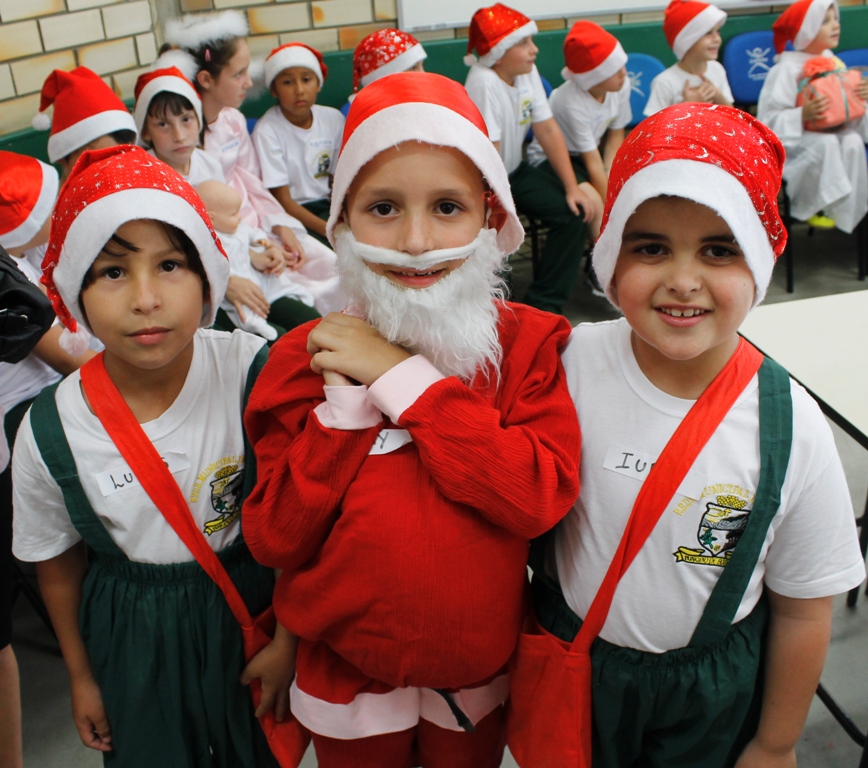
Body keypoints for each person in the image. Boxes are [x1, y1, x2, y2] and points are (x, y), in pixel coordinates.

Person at [242, 72, 581, 766]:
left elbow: (537, 500)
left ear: (491, 219)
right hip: (343, 670)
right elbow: (276, 537)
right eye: (385, 208)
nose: (420, 241)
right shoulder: (299, 362)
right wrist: (339, 419)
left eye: (449, 207)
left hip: (474, 673)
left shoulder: (527, 348)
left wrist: (402, 381)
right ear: (340, 224)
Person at [512, 103, 866, 768]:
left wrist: (775, 742)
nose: (682, 279)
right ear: (611, 257)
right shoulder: (566, 363)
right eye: (650, 247)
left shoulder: (788, 426)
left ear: (759, 261)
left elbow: (803, 608)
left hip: (711, 695)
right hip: (575, 669)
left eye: (719, 249)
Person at [11, 145, 295, 768]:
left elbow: (303, 519)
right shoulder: (53, 427)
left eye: (170, 264)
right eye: (112, 272)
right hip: (128, 629)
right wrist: (82, 677)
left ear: (207, 277)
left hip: (252, 608)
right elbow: (56, 563)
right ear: (75, 293)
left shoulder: (252, 373)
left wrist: (292, 640)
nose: (145, 299)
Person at [164, 10, 344, 315]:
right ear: (206, 80)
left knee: (332, 272)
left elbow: (254, 184)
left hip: (261, 228)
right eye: (238, 74)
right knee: (301, 304)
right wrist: (250, 247)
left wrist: (281, 226)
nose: (249, 82)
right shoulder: (177, 145)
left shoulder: (232, 122)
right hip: (230, 247)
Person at [134, 65, 321, 336]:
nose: (178, 134)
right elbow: (163, 255)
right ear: (146, 131)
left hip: (241, 271)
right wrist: (225, 283)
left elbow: (227, 224)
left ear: (199, 120)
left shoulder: (207, 163)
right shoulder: (147, 180)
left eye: (186, 119)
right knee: (270, 344)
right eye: (163, 124)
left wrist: (256, 251)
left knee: (311, 324)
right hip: (197, 289)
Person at [464, 3, 602, 315]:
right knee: (497, 235)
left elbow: (548, 129)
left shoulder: (525, 71)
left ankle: (545, 305)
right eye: (523, 43)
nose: (534, 50)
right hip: (486, 179)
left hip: (515, 170)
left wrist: (572, 188)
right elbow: (490, 155)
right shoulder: (483, 82)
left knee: (573, 213)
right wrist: (500, 210)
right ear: (498, 54)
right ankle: (497, 309)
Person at [757, 0, 868, 233]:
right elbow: (768, 122)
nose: (835, 25)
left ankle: (846, 210)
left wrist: (860, 99)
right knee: (826, 143)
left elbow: (848, 112)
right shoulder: (785, 70)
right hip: (798, 143)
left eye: (835, 19)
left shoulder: (834, 62)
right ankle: (819, 206)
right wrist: (802, 114)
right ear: (806, 30)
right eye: (825, 21)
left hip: (831, 135)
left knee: (853, 141)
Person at [527, 21, 631, 234]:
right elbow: (592, 162)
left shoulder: (620, 85)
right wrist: (614, 208)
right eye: (614, 70)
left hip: (589, 154)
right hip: (553, 159)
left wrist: (612, 177)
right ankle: (605, 264)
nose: (624, 73)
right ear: (594, 79)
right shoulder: (570, 101)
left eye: (622, 65)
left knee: (628, 190)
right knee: (595, 208)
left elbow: (615, 137)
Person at [196, 179, 319, 340]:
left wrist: (264, 245)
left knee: (309, 318)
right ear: (211, 219)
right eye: (234, 214)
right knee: (250, 316)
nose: (240, 218)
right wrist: (226, 281)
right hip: (229, 295)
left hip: (258, 280)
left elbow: (253, 232)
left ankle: (297, 293)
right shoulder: (210, 240)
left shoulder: (238, 227)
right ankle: (256, 324)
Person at [253, 43, 345, 242]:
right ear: (274, 90)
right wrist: (329, 230)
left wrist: (342, 217)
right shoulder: (267, 130)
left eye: (306, 79)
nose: (299, 90)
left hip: (329, 207)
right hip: (292, 213)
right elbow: (283, 200)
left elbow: (337, 179)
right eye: (287, 82)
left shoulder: (333, 119)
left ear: (319, 83)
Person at [32, 67, 138, 181]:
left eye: (114, 159)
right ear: (63, 161)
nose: (105, 173)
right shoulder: (64, 197)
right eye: (90, 164)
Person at [644, 0, 733, 116]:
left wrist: (718, 95)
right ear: (687, 42)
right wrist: (687, 105)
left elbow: (732, 115)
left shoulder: (717, 69)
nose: (717, 39)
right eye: (708, 33)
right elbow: (654, 127)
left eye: (718, 31)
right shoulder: (664, 82)